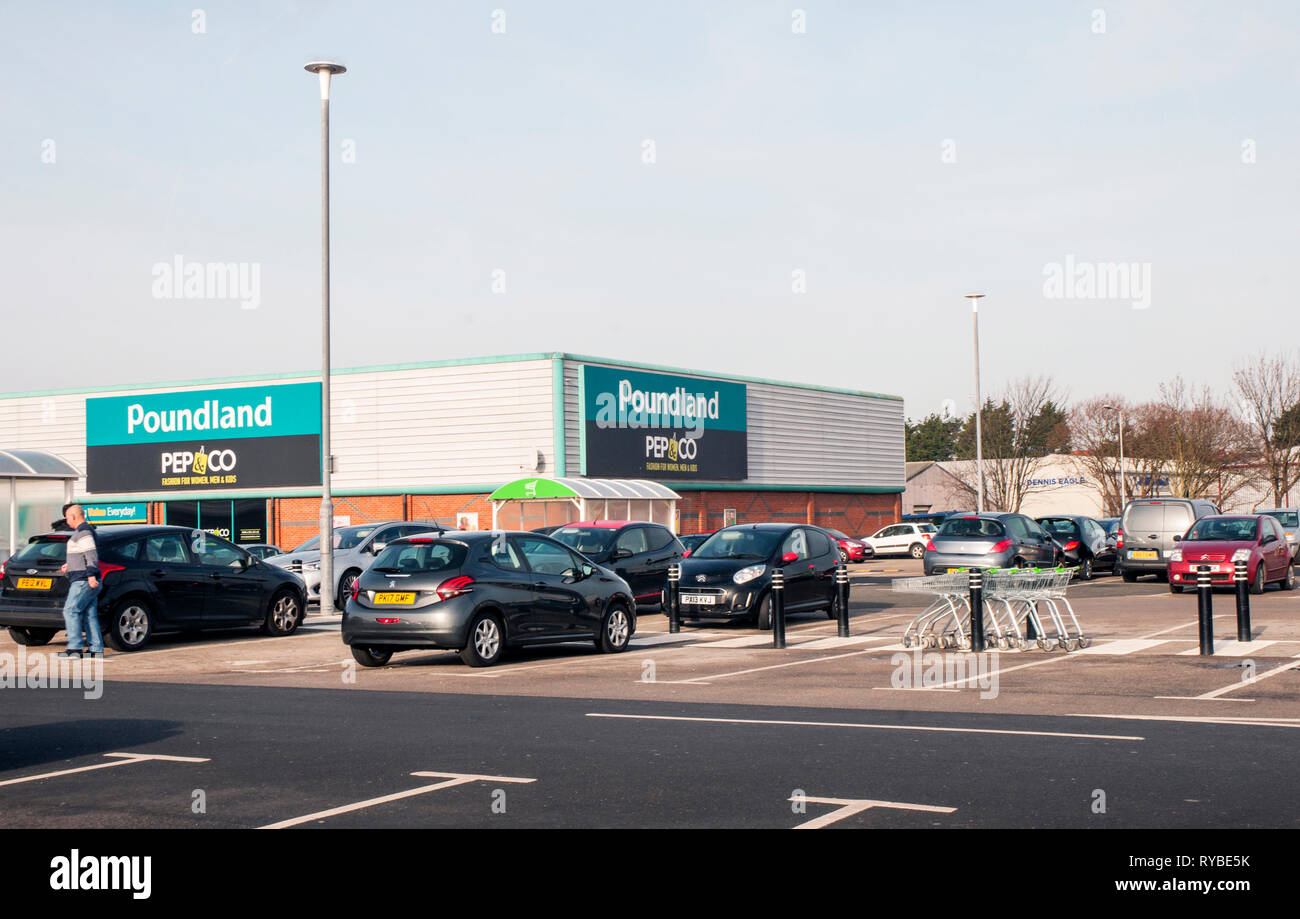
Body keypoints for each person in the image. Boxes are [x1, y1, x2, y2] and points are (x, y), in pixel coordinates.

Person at [58, 504, 102, 657]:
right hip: (85, 578)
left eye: (68, 517)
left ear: (74, 517)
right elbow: (82, 555)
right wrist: (69, 565)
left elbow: (91, 555)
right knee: (90, 614)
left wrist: (90, 576)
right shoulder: (85, 531)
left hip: (83, 580)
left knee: (70, 610)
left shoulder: (83, 532)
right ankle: (96, 650)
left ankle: (75, 649)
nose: (67, 520)